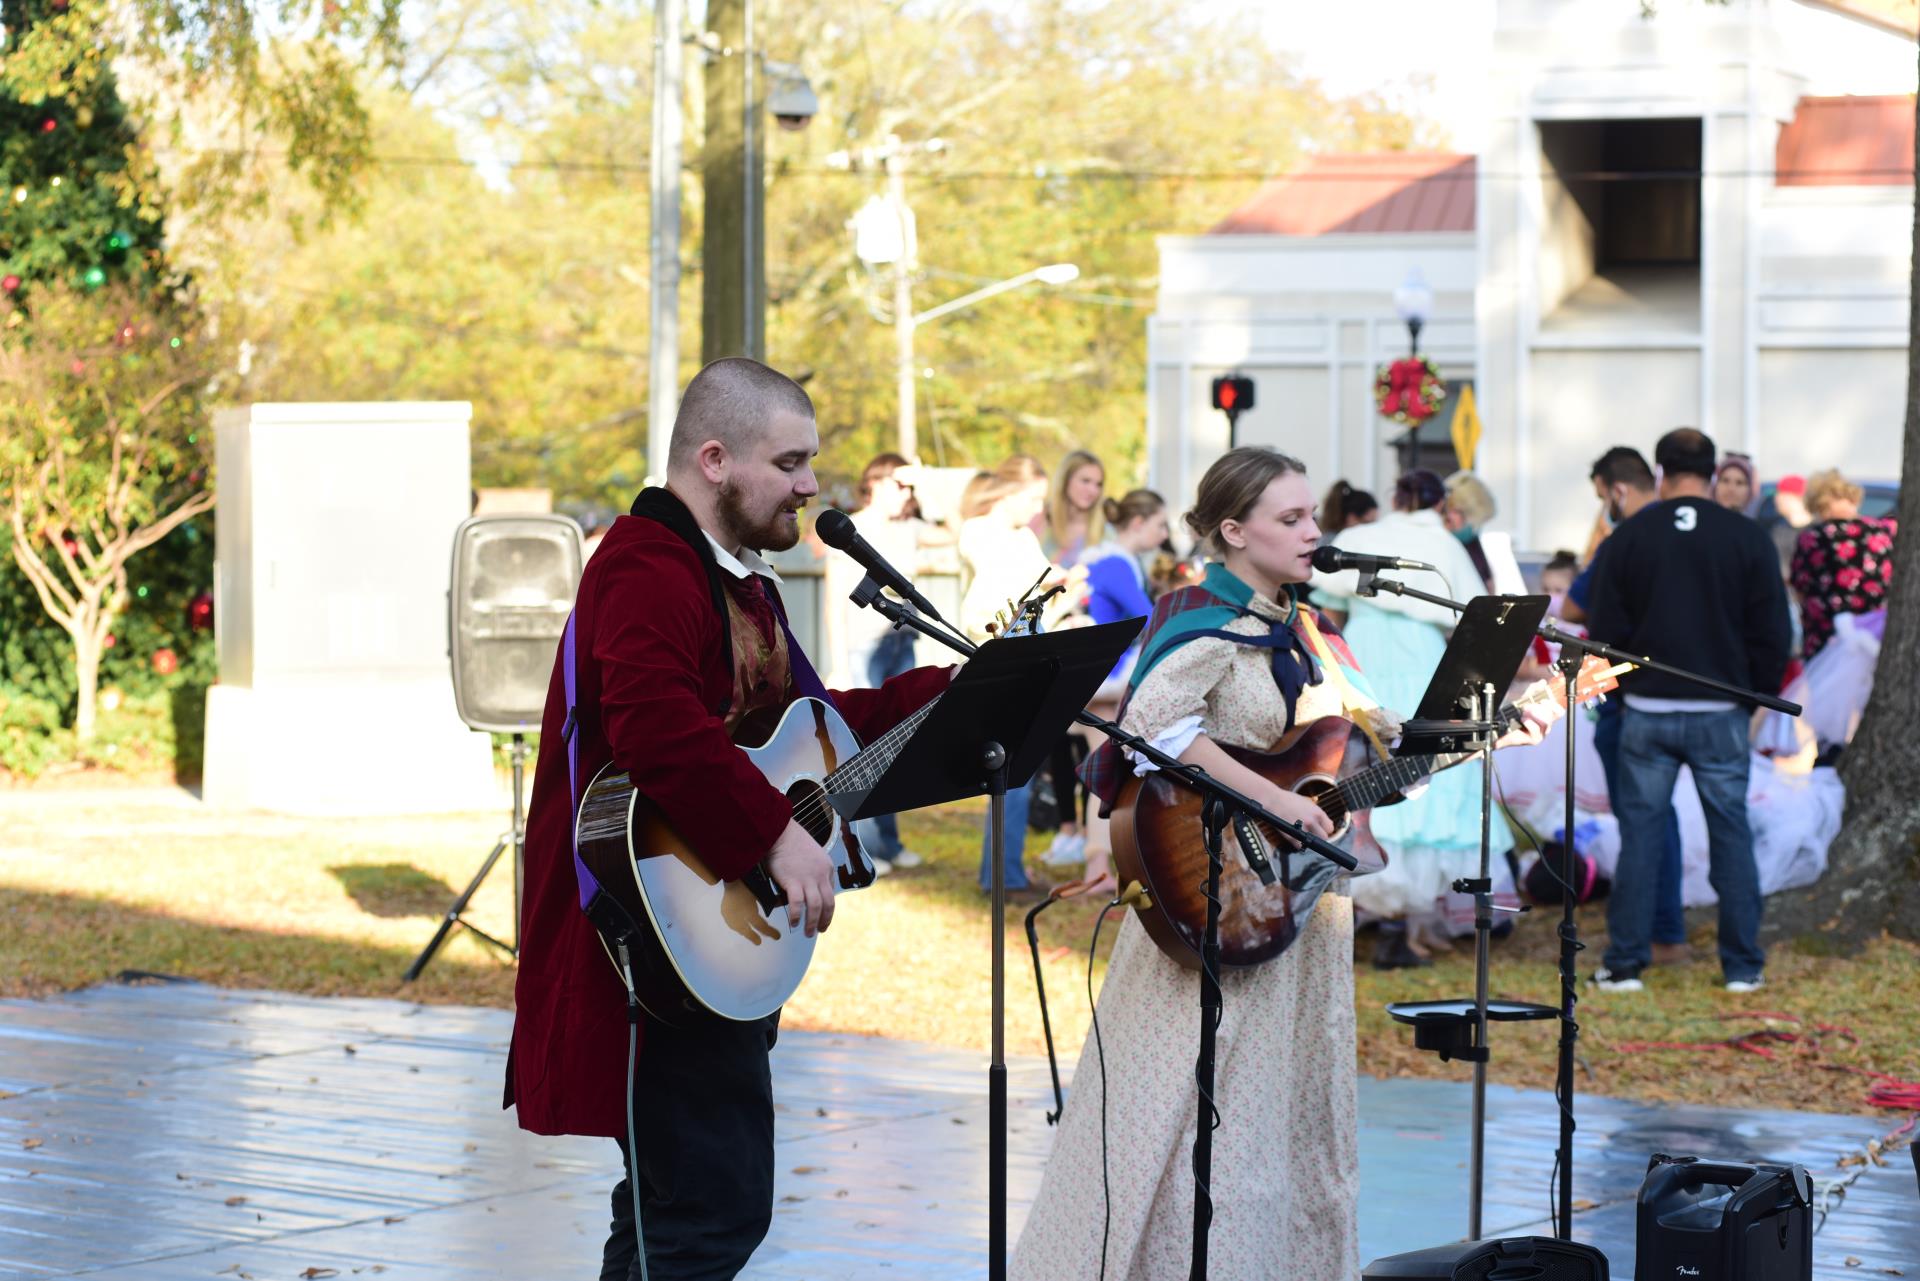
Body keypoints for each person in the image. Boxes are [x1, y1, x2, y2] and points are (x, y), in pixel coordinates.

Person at [1017, 447, 1543, 1280]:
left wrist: (1499, 726)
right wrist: (1269, 801)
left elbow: (1372, 757)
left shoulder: (1313, 630)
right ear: (1233, 530)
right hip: (1210, 899)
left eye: (1313, 517)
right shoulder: (1196, 613)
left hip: (1303, 910)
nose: (1313, 532)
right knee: (1182, 1119)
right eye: (1291, 519)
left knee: (1285, 1124)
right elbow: (1154, 725)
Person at [504, 358, 954, 1281]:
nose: (809, 485)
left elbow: (818, 732)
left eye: (811, 461)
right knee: (705, 1215)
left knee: (681, 1215)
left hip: (707, 936)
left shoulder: (738, 581)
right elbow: (654, 724)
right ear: (715, 459)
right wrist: (772, 833)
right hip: (655, 937)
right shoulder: (644, 565)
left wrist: (963, 694)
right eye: (790, 462)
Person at [1585, 428, 1791, 994]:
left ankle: (1625, 963)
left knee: (1642, 839)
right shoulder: (1745, 537)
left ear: (1660, 473)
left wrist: (1623, 696)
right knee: (1731, 835)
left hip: (1646, 709)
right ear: (1710, 470)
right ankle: (1743, 966)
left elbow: (1605, 631)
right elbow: (1772, 631)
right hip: (1721, 709)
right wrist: (1752, 696)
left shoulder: (1630, 536)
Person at [1311, 469, 1517, 967]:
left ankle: (1375, 916)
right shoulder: (1442, 543)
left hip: (1364, 655)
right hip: (1422, 658)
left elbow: (1329, 601)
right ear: (1439, 502)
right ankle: (1405, 924)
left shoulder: (1361, 535)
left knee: (1363, 768)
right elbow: (1469, 613)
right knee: (1420, 777)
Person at [1563, 447, 1690, 965]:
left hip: (1626, 693)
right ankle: (1667, 930)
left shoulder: (1623, 541)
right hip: (1674, 689)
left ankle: (1641, 940)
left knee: (1641, 820)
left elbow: (1575, 605)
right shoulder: (1677, 536)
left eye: (1601, 498)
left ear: (1616, 490)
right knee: (1662, 818)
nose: (1603, 508)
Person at [830, 451, 951, 873]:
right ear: (877, 481)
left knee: (898, 745)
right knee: (860, 750)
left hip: (905, 638)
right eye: (901, 485)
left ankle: (890, 844)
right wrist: (839, 660)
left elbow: (956, 530)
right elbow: (834, 598)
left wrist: (927, 482)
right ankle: (863, 847)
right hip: (864, 646)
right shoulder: (852, 528)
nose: (908, 495)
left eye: (911, 488)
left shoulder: (912, 527)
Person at [959, 454, 1057, 896]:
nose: (1037, 509)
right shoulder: (983, 533)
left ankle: (1003, 873)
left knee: (1018, 769)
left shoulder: (1019, 536)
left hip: (1028, 657)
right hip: (1002, 662)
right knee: (1011, 771)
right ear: (1011, 492)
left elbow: (1036, 591)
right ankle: (1002, 878)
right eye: (1033, 497)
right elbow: (982, 609)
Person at [1789, 468, 1896, 662]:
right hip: (1873, 634)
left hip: (1826, 637)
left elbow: (1800, 587)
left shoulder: (1813, 537)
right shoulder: (1880, 532)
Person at [1041, 448, 1106, 567]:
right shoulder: (1039, 522)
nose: (1093, 490)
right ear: (1065, 480)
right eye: (1085, 481)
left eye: (1098, 484)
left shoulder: (1106, 535)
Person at [1713, 452, 1757, 516]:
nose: (1731, 489)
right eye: (1725, 481)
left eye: (1739, 483)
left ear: (1750, 490)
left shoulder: (1754, 525)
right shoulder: (1701, 521)